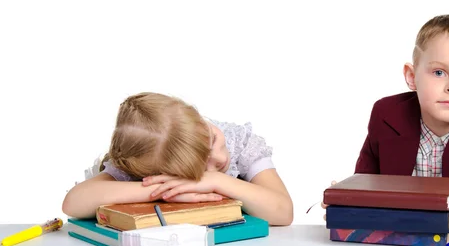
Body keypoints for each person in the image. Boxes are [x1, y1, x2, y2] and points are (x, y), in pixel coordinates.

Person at [325, 14, 449, 238]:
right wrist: (347, 204)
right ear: (412, 76)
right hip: (397, 243)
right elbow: (366, 178)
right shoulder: (387, 115)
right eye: (439, 73)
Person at [62, 92, 294, 226]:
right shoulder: (147, 161)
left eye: (212, 140)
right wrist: (165, 190)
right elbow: (73, 203)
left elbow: (283, 212)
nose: (220, 157)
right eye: (201, 167)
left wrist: (216, 181)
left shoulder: (240, 142)